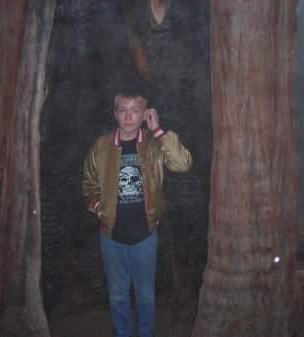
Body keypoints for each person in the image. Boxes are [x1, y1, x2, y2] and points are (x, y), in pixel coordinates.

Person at [82, 88, 192, 337]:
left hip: (145, 235)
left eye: (135, 111)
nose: (128, 117)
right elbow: (89, 182)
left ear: (145, 114)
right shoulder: (101, 146)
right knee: (118, 295)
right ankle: (121, 333)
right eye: (123, 110)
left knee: (145, 295)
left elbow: (183, 164)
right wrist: (99, 207)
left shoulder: (154, 143)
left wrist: (159, 130)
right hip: (110, 234)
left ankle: (146, 334)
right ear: (115, 114)